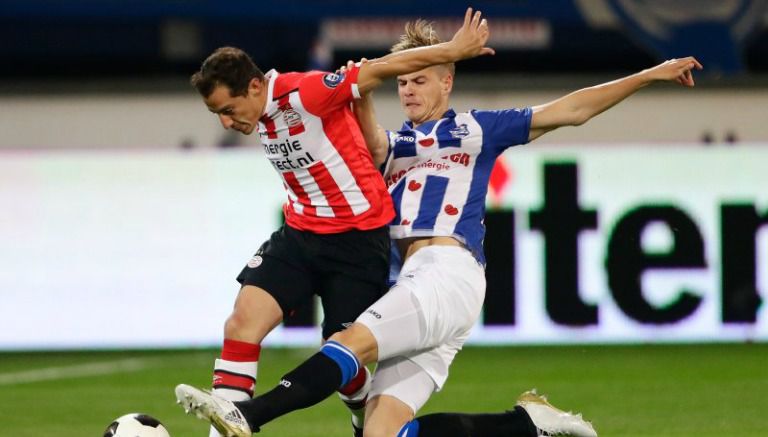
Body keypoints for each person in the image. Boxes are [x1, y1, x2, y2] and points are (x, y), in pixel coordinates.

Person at [175, 17, 702, 437]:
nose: (408, 90)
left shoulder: (478, 129)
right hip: (409, 287)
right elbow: (363, 131)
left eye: (419, 79)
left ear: (446, 80)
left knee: (348, 343)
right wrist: (361, 98)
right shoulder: (389, 149)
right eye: (403, 83)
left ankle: (249, 417)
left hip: (448, 272)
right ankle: (526, 426)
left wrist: (649, 74)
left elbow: (573, 110)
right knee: (384, 434)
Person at [186, 8, 495, 437]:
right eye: (217, 112)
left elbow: (381, 69)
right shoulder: (257, 112)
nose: (226, 121)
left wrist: (454, 50)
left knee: (341, 357)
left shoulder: (305, 92)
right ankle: (227, 429)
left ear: (256, 86)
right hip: (300, 234)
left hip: (357, 242)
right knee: (241, 322)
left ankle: (360, 410)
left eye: (228, 108)